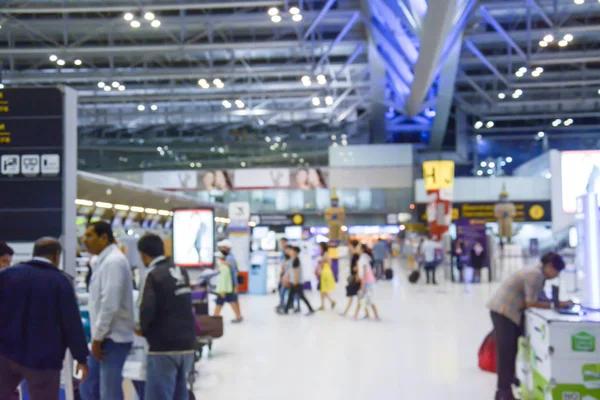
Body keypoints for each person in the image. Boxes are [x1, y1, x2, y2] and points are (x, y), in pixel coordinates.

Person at [0, 237, 89, 400]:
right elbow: (72, 324)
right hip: (44, 360)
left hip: (7, 355)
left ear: (34, 253)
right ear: (57, 256)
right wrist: (81, 358)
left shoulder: (8, 276)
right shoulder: (60, 282)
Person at [487, 252, 572, 400]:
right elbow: (531, 302)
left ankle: (507, 383)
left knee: (511, 350)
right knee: (506, 353)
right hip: (504, 312)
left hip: (507, 312)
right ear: (550, 267)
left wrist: (556, 303)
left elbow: (538, 296)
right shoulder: (535, 275)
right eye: (556, 272)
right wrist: (554, 304)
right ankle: (503, 392)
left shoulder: (538, 273)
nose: (556, 276)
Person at [80, 221, 135, 400]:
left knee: (109, 393)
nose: (84, 240)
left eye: (89, 236)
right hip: (103, 338)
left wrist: (97, 338)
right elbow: (100, 299)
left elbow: (110, 305)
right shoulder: (103, 262)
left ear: (104, 238)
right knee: (88, 387)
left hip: (112, 339)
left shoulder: (114, 262)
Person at [138, 234, 196, 400]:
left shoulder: (153, 275)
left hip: (162, 348)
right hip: (187, 345)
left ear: (143, 254)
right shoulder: (181, 271)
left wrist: (144, 331)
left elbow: (146, 310)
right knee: (180, 394)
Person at [284, 246, 315, 316]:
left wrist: (295, 281)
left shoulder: (296, 261)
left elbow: (297, 272)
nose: (290, 252)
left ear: (295, 252)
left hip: (297, 283)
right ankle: (286, 310)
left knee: (301, 296)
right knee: (291, 296)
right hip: (294, 282)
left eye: (292, 251)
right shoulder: (294, 260)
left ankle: (311, 309)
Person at [218, 239, 243, 323]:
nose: (221, 249)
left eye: (222, 247)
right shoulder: (229, 257)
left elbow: (233, 272)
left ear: (226, 248)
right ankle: (238, 316)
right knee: (234, 300)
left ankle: (238, 316)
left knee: (232, 300)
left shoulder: (229, 258)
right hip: (231, 284)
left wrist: (235, 285)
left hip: (230, 284)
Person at [353, 244, 380, 320]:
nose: (356, 249)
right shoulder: (362, 258)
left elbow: (364, 272)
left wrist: (363, 283)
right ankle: (367, 315)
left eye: (358, 247)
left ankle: (375, 316)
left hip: (367, 282)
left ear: (362, 249)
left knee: (368, 299)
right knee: (364, 298)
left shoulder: (363, 258)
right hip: (367, 281)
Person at [277, 239, 299, 313]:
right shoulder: (285, 256)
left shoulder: (293, 259)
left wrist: (287, 278)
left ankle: (285, 306)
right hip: (287, 277)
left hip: (290, 278)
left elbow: (292, 270)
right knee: (286, 292)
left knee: (295, 293)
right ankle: (285, 306)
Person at [342, 240, 362, 317]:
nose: (348, 247)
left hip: (356, 279)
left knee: (358, 297)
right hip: (353, 278)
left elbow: (358, 267)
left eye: (349, 245)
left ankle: (353, 314)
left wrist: (357, 275)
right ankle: (346, 312)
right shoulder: (354, 255)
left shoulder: (356, 255)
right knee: (352, 296)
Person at [213, 251, 236, 317]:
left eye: (217, 258)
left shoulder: (223, 267)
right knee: (231, 301)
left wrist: (222, 291)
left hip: (223, 290)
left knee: (219, 304)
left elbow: (223, 280)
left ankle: (215, 318)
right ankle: (238, 316)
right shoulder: (223, 266)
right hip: (226, 289)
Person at [316, 242, 336, 310]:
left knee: (322, 289)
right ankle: (326, 303)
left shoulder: (325, 255)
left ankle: (326, 303)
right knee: (322, 290)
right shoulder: (322, 254)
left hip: (325, 272)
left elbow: (330, 263)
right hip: (323, 272)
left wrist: (323, 264)